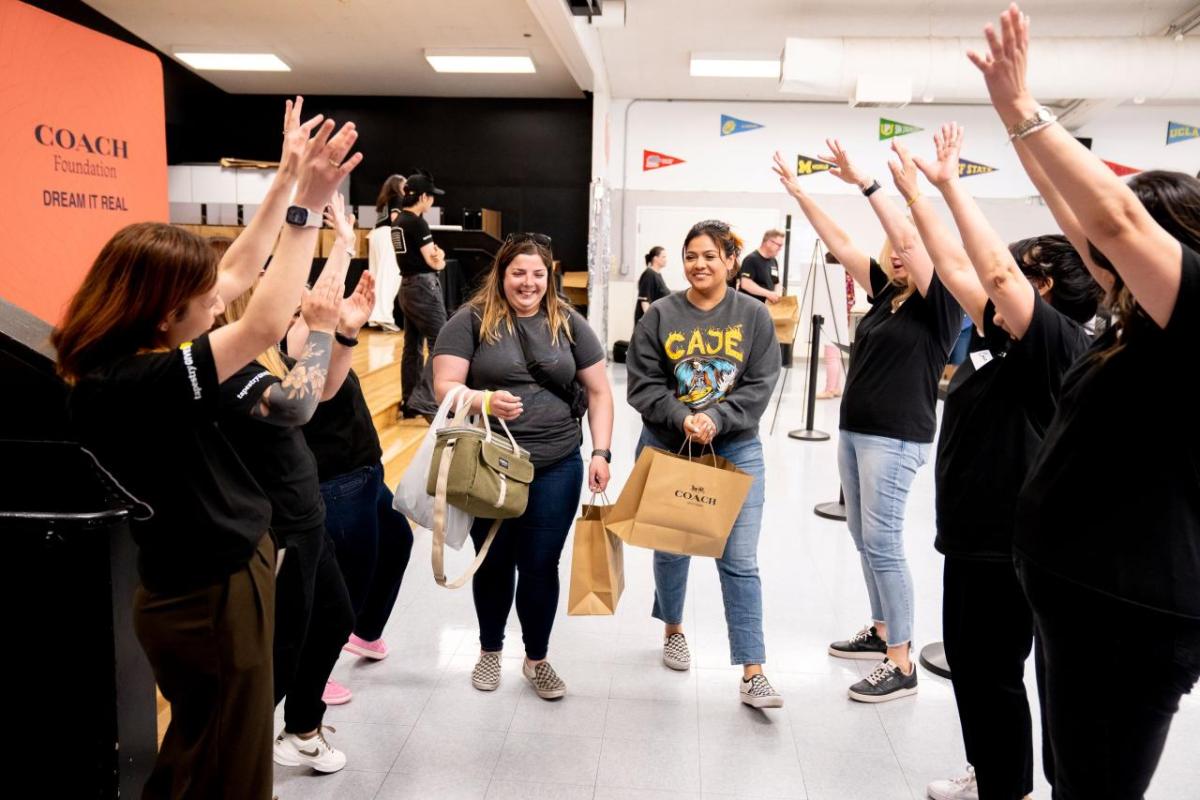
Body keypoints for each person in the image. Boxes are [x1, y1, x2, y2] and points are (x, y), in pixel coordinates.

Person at [49, 98, 360, 799]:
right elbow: (262, 320)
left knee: (207, 749)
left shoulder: (135, 349)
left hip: (216, 581)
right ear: (165, 312)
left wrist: (282, 182)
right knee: (224, 768)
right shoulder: (136, 381)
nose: (215, 303)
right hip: (206, 597)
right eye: (202, 300)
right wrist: (307, 212)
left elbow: (238, 275)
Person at [971, 6, 1200, 797]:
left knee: (1096, 787)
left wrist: (1020, 108)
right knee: (1072, 776)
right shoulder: (1128, 317)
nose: (1105, 256)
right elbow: (1083, 220)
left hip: (1128, 616)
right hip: (1076, 600)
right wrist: (1017, 142)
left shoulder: (1192, 311)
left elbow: (1115, 215)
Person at [888, 125, 1100, 800]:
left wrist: (951, 184)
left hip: (1015, 550)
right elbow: (954, 266)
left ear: (1052, 289)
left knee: (1009, 675)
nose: (1002, 281)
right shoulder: (997, 335)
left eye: (1031, 272)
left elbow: (997, 274)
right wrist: (915, 195)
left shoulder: (1055, 343)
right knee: (979, 674)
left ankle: (1019, 787)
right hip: (970, 542)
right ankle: (993, 776)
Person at [772, 140, 963, 703]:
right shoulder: (886, 295)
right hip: (856, 432)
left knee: (882, 543)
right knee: (862, 537)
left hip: (896, 438)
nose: (900, 255)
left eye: (911, 250)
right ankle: (882, 632)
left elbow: (907, 237)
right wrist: (803, 194)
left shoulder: (941, 303)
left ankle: (901, 662)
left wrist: (872, 185)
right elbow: (841, 242)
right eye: (896, 252)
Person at [214, 194, 372, 776]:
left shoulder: (253, 348)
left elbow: (320, 380)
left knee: (332, 618)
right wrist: (330, 327)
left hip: (306, 519)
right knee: (275, 655)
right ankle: (237, 763)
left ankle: (302, 730)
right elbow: (301, 406)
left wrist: (344, 330)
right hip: (275, 528)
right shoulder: (224, 364)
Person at [431, 233, 613, 700]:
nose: (528, 283)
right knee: (492, 561)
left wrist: (601, 451)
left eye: (537, 274)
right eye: (518, 273)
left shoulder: (568, 322)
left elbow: (599, 391)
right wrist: (483, 400)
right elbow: (444, 386)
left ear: (548, 276)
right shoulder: (470, 321)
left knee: (540, 565)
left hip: (556, 465)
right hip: (489, 463)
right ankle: (490, 652)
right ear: (502, 275)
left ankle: (537, 660)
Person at [626, 219, 785, 709]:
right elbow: (642, 381)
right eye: (691, 255)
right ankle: (673, 628)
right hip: (669, 444)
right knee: (673, 548)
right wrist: (682, 417)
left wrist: (716, 418)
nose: (699, 264)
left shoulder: (753, 315)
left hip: (735, 448)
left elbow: (761, 383)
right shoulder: (661, 314)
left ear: (731, 261)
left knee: (738, 559)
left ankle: (753, 671)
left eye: (710, 256)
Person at [395, 169, 448, 417]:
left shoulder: (398, 222)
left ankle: (409, 401)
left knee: (412, 346)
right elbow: (433, 261)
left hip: (406, 287)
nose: (433, 201)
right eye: (431, 196)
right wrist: (441, 259)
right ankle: (425, 399)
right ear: (423, 197)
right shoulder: (417, 222)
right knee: (442, 340)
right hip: (423, 287)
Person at [367, 174, 406, 330]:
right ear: (398, 186)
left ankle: (374, 315)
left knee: (377, 276)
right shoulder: (397, 198)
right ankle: (384, 317)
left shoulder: (384, 200)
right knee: (390, 275)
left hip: (376, 234)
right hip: (388, 235)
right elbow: (395, 218)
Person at [738, 229, 785, 303]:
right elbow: (746, 284)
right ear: (769, 242)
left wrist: (777, 293)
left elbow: (776, 282)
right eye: (779, 245)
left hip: (766, 307)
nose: (780, 249)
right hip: (750, 307)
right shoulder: (751, 259)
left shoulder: (773, 261)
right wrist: (768, 294)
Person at [635, 245, 670, 327]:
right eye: (663, 257)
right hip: (648, 324)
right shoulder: (649, 274)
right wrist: (651, 322)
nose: (666, 260)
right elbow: (644, 301)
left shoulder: (657, 275)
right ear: (655, 258)